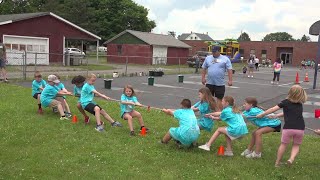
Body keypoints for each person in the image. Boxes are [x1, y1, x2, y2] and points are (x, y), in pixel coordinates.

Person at [257, 85, 307, 167]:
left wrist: (262, 114)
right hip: (300, 128)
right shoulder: (300, 104)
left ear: (290, 92)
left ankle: (277, 163)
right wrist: (276, 116)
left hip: (288, 128)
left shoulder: (285, 102)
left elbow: (273, 109)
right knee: (296, 145)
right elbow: (289, 113)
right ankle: (291, 159)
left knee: (283, 144)